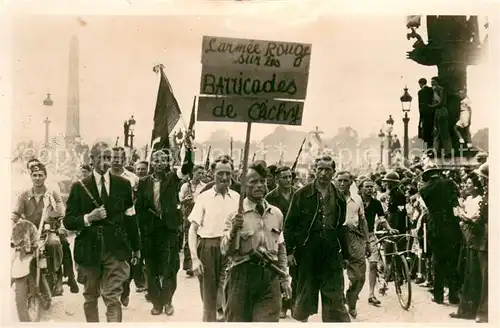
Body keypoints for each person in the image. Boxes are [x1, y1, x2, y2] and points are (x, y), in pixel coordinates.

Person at [63, 141, 141, 322]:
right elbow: (68, 221)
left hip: (115, 248)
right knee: (90, 296)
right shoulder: (79, 186)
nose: (106, 162)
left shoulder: (123, 185)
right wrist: (88, 218)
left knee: (112, 296)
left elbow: (130, 218)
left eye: (109, 158)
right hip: (89, 249)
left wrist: (136, 247)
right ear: (92, 160)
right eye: (102, 158)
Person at [221, 162, 292, 322]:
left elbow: (281, 248)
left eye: (262, 181)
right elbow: (225, 250)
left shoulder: (276, 214)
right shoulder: (235, 215)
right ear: (244, 184)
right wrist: (234, 230)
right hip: (241, 277)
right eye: (253, 182)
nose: (259, 185)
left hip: (269, 279)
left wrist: (284, 279)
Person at [284, 155, 351, 322]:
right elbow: (289, 225)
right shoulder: (302, 194)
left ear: (333, 172)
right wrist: (290, 251)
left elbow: (341, 227)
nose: (323, 173)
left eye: (328, 169)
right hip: (307, 249)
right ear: (314, 170)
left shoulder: (339, 197)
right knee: (305, 293)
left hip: (331, 249)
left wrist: (346, 254)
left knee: (334, 294)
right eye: (320, 169)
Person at [135, 145, 193, 316]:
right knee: (151, 266)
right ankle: (156, 302)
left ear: (168, 162)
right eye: (156, 160)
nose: (159, 163)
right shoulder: (144, 182)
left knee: (169, 266)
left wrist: (188, 149)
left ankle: (167, 300)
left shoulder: (172, 178)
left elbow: (187, 168)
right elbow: (139, 207)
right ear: (151, 163)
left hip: (168, 229)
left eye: (163, 160)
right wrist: (141, 227)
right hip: (150, 230)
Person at [188, 157, 238, 322]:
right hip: (208, 249)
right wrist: (194, 259)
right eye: (220, 173)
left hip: (231, 249)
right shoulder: (204, 197)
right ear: (211, 174)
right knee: (209, 300)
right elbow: (193, 229)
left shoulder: (238, 198)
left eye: (228, 174)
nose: (224, 178)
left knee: (227, 295)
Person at [12, 163, 69, 295]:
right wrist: (11, 226)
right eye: (35, 175)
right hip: (29, 233)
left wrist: (62, 226)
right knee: (16, 250)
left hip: (47, 232)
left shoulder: (51, 194)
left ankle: (56, 276)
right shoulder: (24, 195)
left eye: (40, 175)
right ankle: (15, 279)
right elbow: (15, 214)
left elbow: (61, 213)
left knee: (54, 244)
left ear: (45, 177)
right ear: (31, 177)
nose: (37, 178)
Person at [419, 165, 461, 305]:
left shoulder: (424, 189)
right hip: (450, 224)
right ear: (438, 173)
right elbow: (455, 202)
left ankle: (438, 296)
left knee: (437, 260)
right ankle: (454, 295)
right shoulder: (449, 183)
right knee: (452, 259)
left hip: (434, 225)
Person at [109, 147, 144, 303]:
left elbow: (138, 199)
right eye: (113, 158)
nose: (116, 160)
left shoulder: (133, 178)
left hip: (128, 219)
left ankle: (126, 288)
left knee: (128, 256)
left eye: (119, 158)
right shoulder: (104, 176)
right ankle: (113, 289)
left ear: (124, 159)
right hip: (110, 221)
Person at [357, 178, 398, 306]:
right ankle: (354, 291)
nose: (369, 189)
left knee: (373, 264)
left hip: (370, 235)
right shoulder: (356, 201)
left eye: (371, 187)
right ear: (361, 188)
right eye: (366, 187)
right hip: (356, 236)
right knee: (357, 268)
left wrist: (389, 229)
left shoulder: (376, 203)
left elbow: (381, 219)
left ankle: (371, 294)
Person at [335, 171, 369, 318]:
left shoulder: (357, 199)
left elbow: (362, 220)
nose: (342, 184)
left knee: (359, 277)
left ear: (351, 182)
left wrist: (367, 241)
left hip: (354, 237)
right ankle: (339, 304)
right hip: (335, 237)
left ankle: (352, 300)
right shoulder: (330, 197)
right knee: (336, 274)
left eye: (345, 181)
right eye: (339, 181)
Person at [450, 173, 483, 320]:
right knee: (462, 269)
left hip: (472, 236)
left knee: (471, 271)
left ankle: (469, 309)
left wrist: (463, 216)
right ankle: (464, 308)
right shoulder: (468, 199)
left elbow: (475, 219)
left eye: (469, 183)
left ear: (476, 185)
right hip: (464, 235)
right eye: (466, 183)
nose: (466, 186)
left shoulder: (479, 200)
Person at [265, 166, 296, 318]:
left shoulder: (297, 193)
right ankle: (283, 305)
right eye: (284, 177)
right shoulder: (270, 197)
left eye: (290, 177)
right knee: (280, 272)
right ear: (277, 179)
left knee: (295, 273)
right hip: (278, 237)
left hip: (296, 239)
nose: (288, 180)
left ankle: (293, 302)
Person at [180, 165, 206, 277]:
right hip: (189, 212)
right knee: (188, 238)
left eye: (202, 173)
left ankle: (199, 262)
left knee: (200, 238)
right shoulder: (186, 186)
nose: (200, 175)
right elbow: (180, 199)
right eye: (198, 173)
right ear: (193, 173)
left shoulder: (204, 186)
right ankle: (189, 265)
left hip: (201, 213)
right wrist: (185, 200)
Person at [429, 76, 452, 156]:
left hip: (442, 111)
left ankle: (448, 151)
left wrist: (431, 107)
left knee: (444, 132)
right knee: (436, 132)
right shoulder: (433, 91)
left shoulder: (441, 90)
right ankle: (436, 151)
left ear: (437, 82)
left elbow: (441, 102)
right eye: (431, 82)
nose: (432, 84)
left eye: (434, 82)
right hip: (437, 112)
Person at [417, 78, 435, 149]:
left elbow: (420, 105)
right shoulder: (431, 90)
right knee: (432, 130)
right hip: (432, 112)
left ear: (420, 84)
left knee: (426, 130)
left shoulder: (420, 92)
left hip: (424, 113)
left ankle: (429, 148)